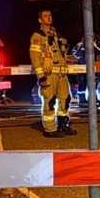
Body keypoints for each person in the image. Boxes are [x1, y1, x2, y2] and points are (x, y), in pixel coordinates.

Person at [29, 9, 76, 138]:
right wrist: (41, 77)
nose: (49, 18)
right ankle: (50, 129)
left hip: (61, 74)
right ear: (40, 20)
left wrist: (64, 45)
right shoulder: (37, 36)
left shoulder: (55, 34)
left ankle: (62, 125)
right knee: (50, 101)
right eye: (45, 16)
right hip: (49, 75)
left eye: (50, 15)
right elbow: (35, 58)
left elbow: (61, 54)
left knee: (65, 100)